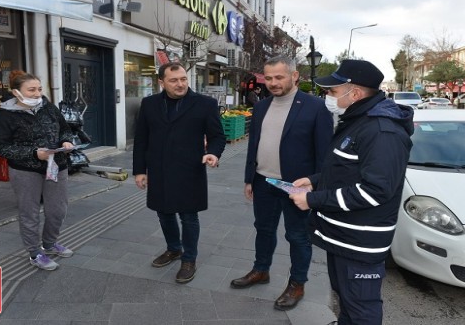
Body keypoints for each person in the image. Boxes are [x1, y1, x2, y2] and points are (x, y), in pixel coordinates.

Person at [289, 59, 414, 325]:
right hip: (343, 236)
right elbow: (346, 170)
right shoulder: (358, 121)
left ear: (354, 93)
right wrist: (314, 181)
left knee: (361, 308)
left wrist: (312, 199)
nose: (327, 97)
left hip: (359, 242)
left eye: (332, 92)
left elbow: (374, 191)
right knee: (346, 299)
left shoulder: (381, 131)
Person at [230, 55, 333, 311]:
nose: (273, 83)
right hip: (264, 181)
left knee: (297, 236)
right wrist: (249, 178)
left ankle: (297, 283)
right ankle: (260, 270)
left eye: (279, 77)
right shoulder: (262, 106)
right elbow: (253, 145)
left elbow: (325, 155)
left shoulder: (315, 107)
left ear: (294, 76)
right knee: (263, 229)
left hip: (295, 186)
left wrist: (315, 183)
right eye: (269, 78)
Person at [133, 62, 225, 284]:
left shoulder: (205, 104)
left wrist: (213, 153)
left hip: (189, 170)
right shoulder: (149, 104)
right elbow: (141, 139)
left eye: (183, 79)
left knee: (188, 216)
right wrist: (139, 171)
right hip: (159, 169)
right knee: (163, 212)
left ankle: (189, 259)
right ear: (161, 82)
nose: (180, 84)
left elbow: (217, 136)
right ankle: (174, 248)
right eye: (174, 80)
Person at [0, 70, 75, 271]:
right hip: (25, 171)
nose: (37, 93)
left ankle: (49, 243)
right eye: (31, 90)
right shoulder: (5, 115)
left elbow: (65, 128)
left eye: (39, 88)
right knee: (29, 213)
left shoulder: (49, 107)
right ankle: (35, 253)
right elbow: (1, 148)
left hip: (57, 166)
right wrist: (33, 153)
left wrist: (66, 140)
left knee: (57, 210)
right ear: (16, 92)